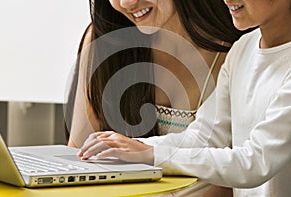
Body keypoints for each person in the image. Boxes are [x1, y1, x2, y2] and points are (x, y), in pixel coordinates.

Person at [77, 0, 291, 196]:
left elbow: (255, 162)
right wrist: (127, 146)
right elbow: (203, 137)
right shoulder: (243, 48)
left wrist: (152, 155)